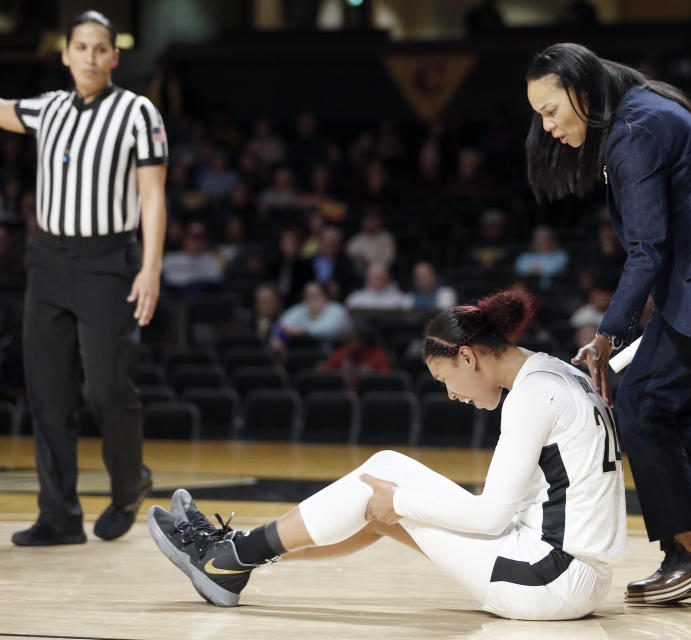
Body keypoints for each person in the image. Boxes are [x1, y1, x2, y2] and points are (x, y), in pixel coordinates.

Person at [147, 290, 627, 619]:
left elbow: (487, 518)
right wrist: (394, 506)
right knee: (378, 503)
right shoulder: (559, 373)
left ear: (467, 357)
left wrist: (401, 501)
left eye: (445, 382)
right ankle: (235, 560)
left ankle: (228, 557)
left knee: (383, 479)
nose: (453, 396)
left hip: (548, 580)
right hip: (573, 574)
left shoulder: (530, 396)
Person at [524, 43, 691, 604]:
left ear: (582, 90)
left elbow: (647, 251)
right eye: (539, 115)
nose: (546, 125)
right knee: (674, 414)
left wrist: (605, 338)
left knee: (644, 404)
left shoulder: (634, 132)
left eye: (550, 110)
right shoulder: (637, 108)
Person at [0, 10, 167, 545]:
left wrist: (151, 268)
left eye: (102, 48)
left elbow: (152, 196)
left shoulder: (138, 111)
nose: (91, 57)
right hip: (48, 262)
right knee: (46, 392)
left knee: (106, 388)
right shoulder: (48, 108)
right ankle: (59, 515)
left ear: (114, 57)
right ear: (66, 53)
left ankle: (128, 484)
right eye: (82, 47)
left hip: (107, 264)